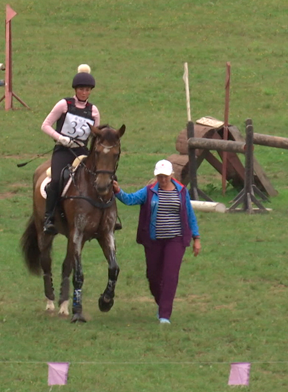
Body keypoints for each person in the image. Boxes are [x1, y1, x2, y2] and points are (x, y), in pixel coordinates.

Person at [112, 160, 201, 324]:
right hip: (154, 240)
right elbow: (130, 199)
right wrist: (118, 191)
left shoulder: (181, 191)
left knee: (170, 275)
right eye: (160, 176)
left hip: (176, 239)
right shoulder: (149, 192)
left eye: (165, 176)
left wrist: (196, 238)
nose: (163, 179)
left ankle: (165, 315)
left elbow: (189, 214)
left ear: (171, 175)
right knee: (153, 276)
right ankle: (162, 304)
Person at [40, 64, 101, 235]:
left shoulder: (93, 111)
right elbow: (45, 125)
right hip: (63, 150)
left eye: (87, 89)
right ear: (76, 89)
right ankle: (49, 218)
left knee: (103, 177)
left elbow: (95, 136)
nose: (84, 92)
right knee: (58, 180)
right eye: (81, 89)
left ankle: (106, 216)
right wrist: (60, 138)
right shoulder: (64, 104)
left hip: (82, 150)